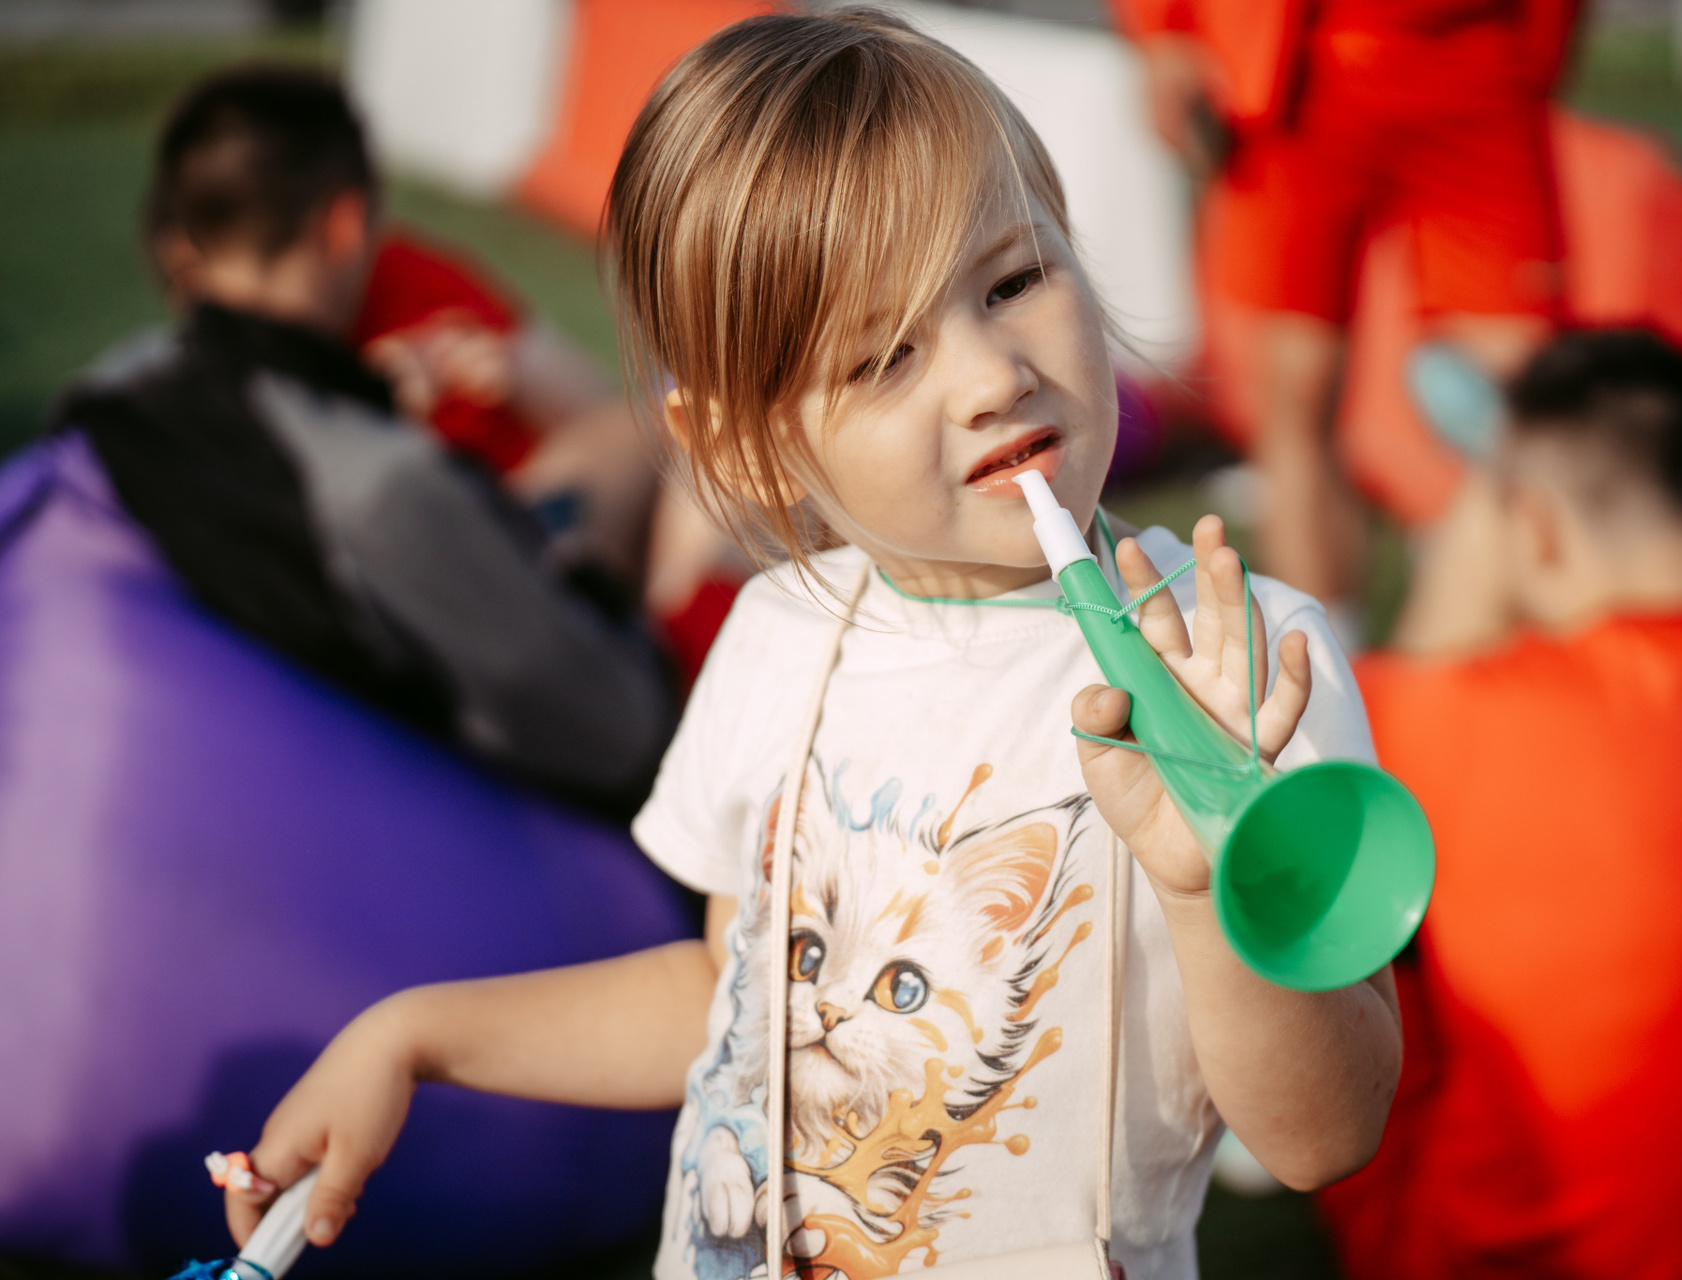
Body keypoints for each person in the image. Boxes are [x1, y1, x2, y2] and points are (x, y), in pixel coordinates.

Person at [216, 11, 1403, 1279]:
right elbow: (732, 998)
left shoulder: (1242, 664)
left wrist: (1206, 882)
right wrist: (411, 1034)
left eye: (1012, 281)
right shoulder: (777, 637)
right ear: (749, 448)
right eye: (884, 356)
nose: (991, 376)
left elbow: (1323, 1135)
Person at [1318, 329, 1682, 1279]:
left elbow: (1372, 754)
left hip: (1509, 1262)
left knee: (1364, 908)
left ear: (1534, 529)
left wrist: (1482, 518)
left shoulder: (1448, 714)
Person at [58, 64, 678, 816]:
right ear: (346, 223)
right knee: (636, 439)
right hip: (481, 782)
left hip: (193, 752)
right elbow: (626, 733)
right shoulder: (377, 483)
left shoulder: (109, 401)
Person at [1113, 0, 1578, 632]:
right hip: (1301, 76)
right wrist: (1162, 32)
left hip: (1477, 60)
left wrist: (1541, 52)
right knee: (1295, 392)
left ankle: (1482, 639)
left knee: (1520, 400)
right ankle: (1328, 652)